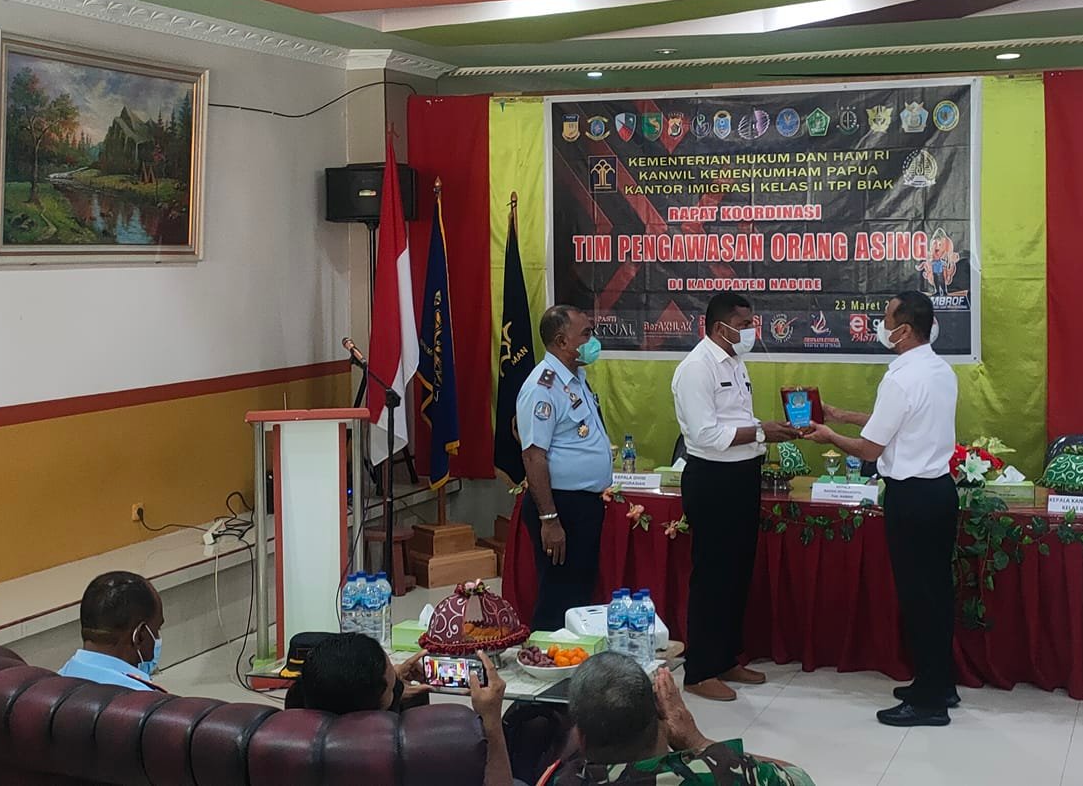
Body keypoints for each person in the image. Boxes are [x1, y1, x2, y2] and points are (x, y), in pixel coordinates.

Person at [802, 290, 960, 728]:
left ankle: (929, 702)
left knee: (919, 598)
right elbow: (898, 421)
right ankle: (939, 682)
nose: (881, 325)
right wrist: (840, 414)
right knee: (936, 593)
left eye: (886, 318)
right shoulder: (939, 369)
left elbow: (871, 448)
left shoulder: (900, 379)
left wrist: (828, 435)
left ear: (904, 330)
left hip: (912, 498)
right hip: (939, 492)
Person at [670, 292, 798, 702]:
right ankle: (699, 671)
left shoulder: (736, 363)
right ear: (719, 326)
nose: (750, 332)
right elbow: (707, 434)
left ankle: (726, 658)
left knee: (737, 572)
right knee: (712, 575)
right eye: (743, 325)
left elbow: (737, 421)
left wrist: (768, 429)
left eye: (751, 324)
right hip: (713, 479)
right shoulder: (696, 368)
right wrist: (762, 432)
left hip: (743, 475)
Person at [543, 652, 813, 786]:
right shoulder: (718, 773)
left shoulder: (563, 780)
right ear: (664, 721)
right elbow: (799, 778)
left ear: (581, 738)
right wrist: (697, 741)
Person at [293, 634, 515, 786]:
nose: (399, 684)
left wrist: (392, 687)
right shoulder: (430, 752)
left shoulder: (290, 749)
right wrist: (491, 720)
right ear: (376, 709)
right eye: (393, 687)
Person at [518, 305, 614, 631]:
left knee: (579, 594)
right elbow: (533, 456)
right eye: (586, 334)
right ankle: (545, 656)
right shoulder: (542, 387)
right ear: (561, 341)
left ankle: (573, 658)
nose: (593, 341)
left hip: (583, 505)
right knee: (559, 597)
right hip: (560, 506)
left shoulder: (574, 379)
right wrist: (549, 519)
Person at [58, 571, 166, 691]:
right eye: (157, 629)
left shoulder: (54, 683)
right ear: (139, 636)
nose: (157, 637)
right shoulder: (145, 698)